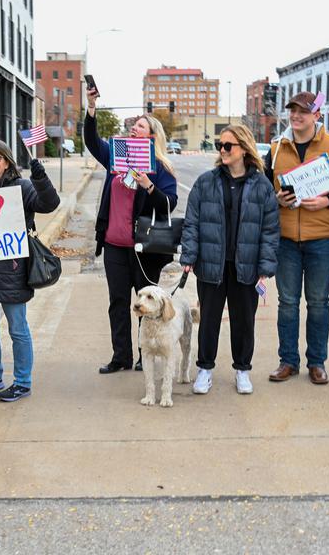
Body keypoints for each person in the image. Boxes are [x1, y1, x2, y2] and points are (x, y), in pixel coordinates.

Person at [84, 86, 179, 375]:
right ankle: (121, 356)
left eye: (140, 126)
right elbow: (91, 141)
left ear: (151, 136)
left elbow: (169, 204)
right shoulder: (118, 155)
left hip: (143, 248)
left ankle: (144, 355)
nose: (134, 128)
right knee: (118, 302)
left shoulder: (160, 167)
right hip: (114, 244)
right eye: (133, 125)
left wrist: (148, 185)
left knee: (145, 303)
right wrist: (91, 108)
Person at [264, 91, 329, 385]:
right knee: (287, 303)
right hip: (286, 238)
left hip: (322, 238)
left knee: (318, 302)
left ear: (317, 115)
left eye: (303, 111)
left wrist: (328, 201)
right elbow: (263, 187)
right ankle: (287, 361)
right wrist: (275, 198)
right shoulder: (277, 148)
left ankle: (317, 362)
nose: (296, 116)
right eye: (292, 111)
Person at [180, 125, 280, 395]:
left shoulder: (262, 186)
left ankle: (242, 370)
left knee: (244, 322)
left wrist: (265, 267)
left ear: (244, 149)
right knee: (209, 320)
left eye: (228, 146)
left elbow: (270, 230)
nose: (222, 150)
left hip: (245, 266)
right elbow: (192, 223)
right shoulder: (206, 182)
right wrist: (188, 255)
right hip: (212, 264)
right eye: (220, 146)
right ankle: (205, 369)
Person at [0, 141, 60, 401]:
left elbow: (49, 203)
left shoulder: (22, 188)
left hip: (12, 271)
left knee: (17, 329)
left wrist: (39, 176)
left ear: (6, 162)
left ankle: (22, 381)